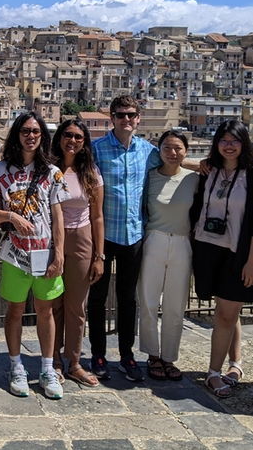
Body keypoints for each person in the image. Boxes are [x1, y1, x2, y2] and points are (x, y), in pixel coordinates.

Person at [0, 111, 68, 399]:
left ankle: (47, 367)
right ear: (16, 134)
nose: (31, 136)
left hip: (45, 252)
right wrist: (11, 217)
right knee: (15, 311)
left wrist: (60, 255)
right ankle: (16, 366)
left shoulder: (53, 173)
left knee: (46, 311)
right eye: (25, 131)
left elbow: (58, 217)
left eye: (36, 131)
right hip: (15, 254)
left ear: (42, 136)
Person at [190, 120, 253, 398]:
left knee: (224, 314)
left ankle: (213, 373)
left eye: (234, 140)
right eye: (223, 140)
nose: (228, 145)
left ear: (244, 143)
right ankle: (235, 364)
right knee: (227, 310)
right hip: (208, 248)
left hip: (239, 253)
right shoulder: (208, 170)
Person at [87, 95, 162, 383]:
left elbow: (173, 160)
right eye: (120, 115)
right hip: (104, 236)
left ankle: (126, 355)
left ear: (138, 118)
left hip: (134, 235)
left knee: (128, 299)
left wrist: (203, 166)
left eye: (131, 115)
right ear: (112, 118)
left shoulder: (147, 151)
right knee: (97, 298)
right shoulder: (97, 150)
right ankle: (98, 354)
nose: (126, 119)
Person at [137, 130, 198, 382]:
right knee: (149, 302)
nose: (172, 153)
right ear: (158, 150)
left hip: (183, 244)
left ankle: (170, 357)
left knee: (175, 305)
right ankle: (153, 356)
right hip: (154, 240)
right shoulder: (149, 177)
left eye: (178, 148)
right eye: (167, 148)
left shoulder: (194, 178)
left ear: (186, 151)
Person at [50, 119, 104, 387]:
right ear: (60, 137)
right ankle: (54, 360)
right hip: (51, 239)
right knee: (53, 304)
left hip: (82, 238)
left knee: (76, 305)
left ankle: (74, 362)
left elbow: (97, 217)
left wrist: (99, 256)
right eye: (68, 135)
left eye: (79, 137)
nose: (72, 140)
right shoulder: (47, 168)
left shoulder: (90, 172)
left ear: (84, 143)